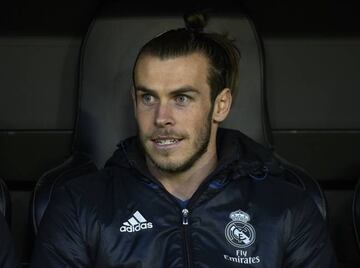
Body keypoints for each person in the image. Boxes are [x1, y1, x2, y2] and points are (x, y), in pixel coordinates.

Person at [31, 13, 337, 267]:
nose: (161, 117)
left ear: (221, 105)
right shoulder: (79, 206)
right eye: (148, 97)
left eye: (181, 98)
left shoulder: (287, 209)